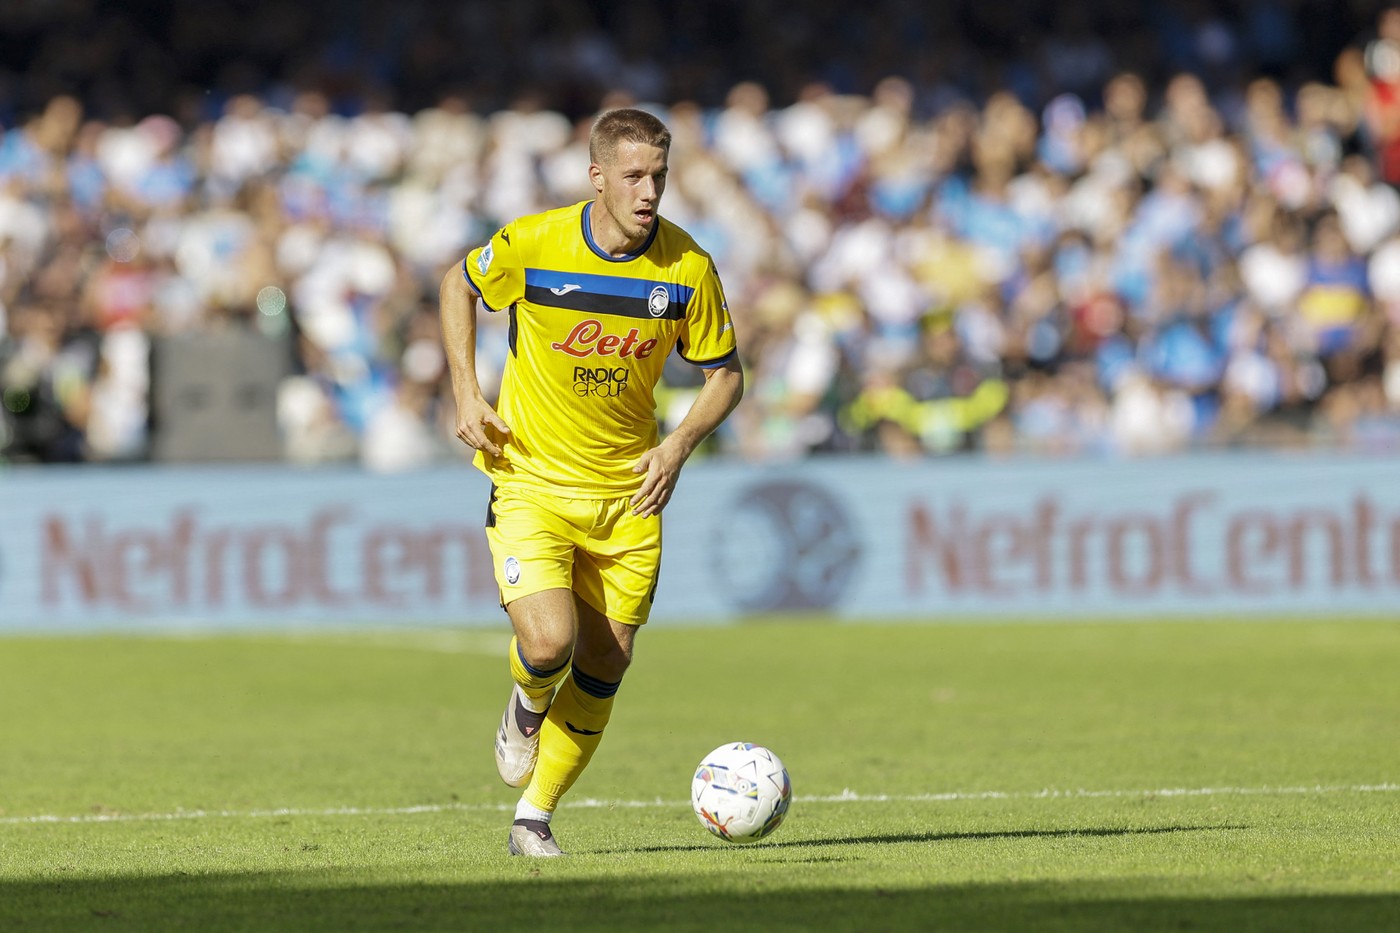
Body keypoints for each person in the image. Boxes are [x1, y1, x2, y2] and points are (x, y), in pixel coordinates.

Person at [438, 108, 744, 857]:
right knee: (549, 640)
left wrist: (677, 446)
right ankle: (527, 699)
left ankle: (533, 817)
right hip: (533, 480)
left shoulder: (687, 268)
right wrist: (467, 394)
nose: (649, 192)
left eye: (660, 177)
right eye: (635, 176)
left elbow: (726, 377)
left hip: (629, 494)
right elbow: (458, 283)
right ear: (597, 176)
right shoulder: (534, 243)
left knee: (607, 661)